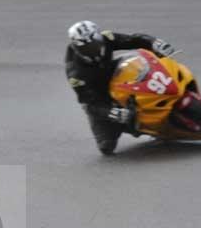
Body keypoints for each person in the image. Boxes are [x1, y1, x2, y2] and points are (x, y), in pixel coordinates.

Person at [64, 20, 176, 155]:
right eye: (88, 48)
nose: (95, 49)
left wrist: (154, 43)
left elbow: (132, 40)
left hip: (114, 74)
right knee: (106, 147)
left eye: (96, 43)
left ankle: (162, 92)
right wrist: (110, 112)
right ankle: (134, 126)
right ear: (77, 48)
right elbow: (89, 102)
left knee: (137, 63)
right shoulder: (76, 73)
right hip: (100, 95)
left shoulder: (106, 38)